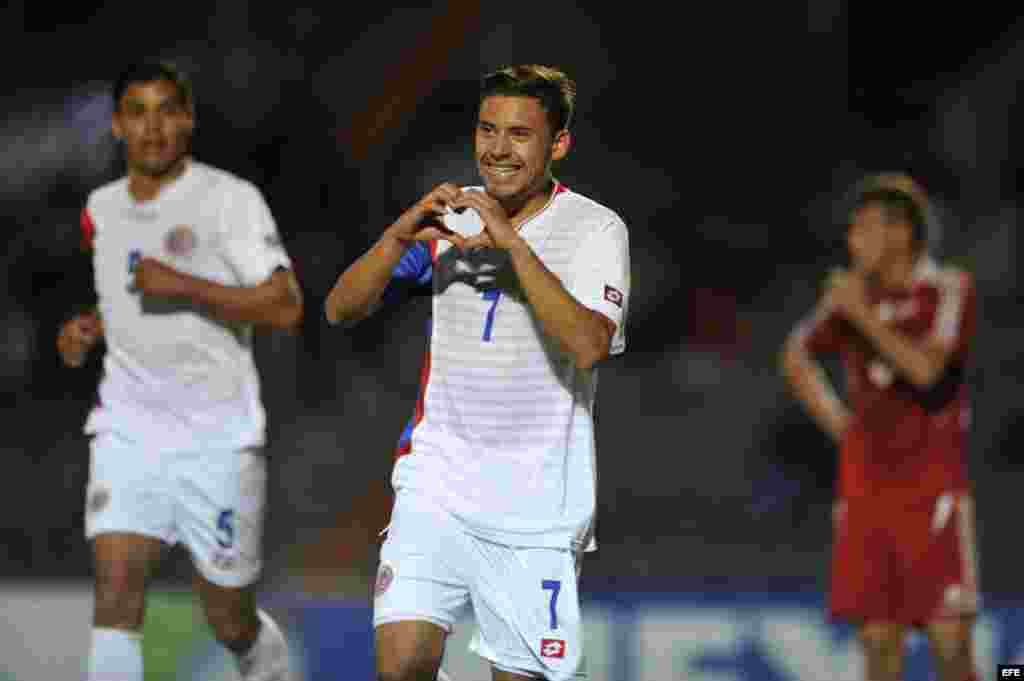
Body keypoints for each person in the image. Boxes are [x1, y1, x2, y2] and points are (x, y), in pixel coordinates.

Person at [325, 64, 630, 681]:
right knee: (402, 666)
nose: (498, 148)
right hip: (437, 482)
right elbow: (340, 309)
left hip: (539, 503)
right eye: (488, 130)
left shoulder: (596, 229)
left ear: (558, 144)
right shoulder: (451, 224)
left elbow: (590, 344)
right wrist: (396, 236)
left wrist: (512, 247)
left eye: (520, 134)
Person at [56, 60, 302, 681]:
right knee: (115, 597)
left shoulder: (230, 200)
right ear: (117, 125)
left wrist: (184, 285)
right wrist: (86, 330)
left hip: (217, 438)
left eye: (167, 110)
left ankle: (270, 666)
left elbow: (285, 304)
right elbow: (123, 297)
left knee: (228, 618)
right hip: (127, 429)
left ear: (188, 119)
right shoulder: (100, 209)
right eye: (137, 112)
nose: (153, 126)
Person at [780, 174, 979, 681]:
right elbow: (796, 355)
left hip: (932, 489)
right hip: (865, 492)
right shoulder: (853, 295)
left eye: (862, 229)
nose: (852, 241)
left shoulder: (947, 288)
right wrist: (843, 429)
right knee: (878, 647)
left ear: (903, 234)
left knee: (951, 645)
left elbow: (927, 371)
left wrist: (860, 314)